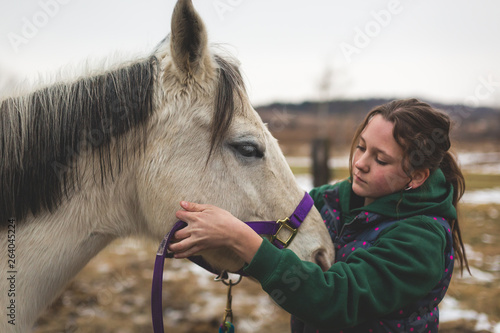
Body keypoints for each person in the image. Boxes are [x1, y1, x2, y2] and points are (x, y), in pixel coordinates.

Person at [169, 98, 469, 332]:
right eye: (361, 147)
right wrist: (184, 228)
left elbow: (335, 300)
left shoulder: (421, 240)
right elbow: (272, 228)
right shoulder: (335, 200)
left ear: (416, 177)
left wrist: (241, 240)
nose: (360, 164)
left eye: (380, 159)